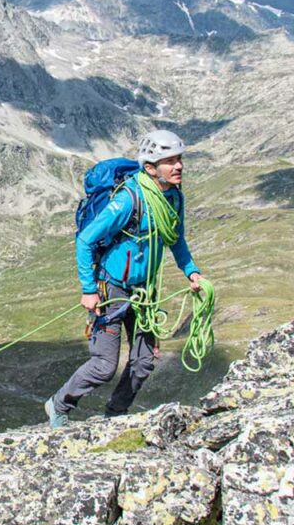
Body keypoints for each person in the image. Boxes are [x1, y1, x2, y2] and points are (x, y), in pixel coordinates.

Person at [45, 129, 203, 428]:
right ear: (150, 167)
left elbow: (176, 239)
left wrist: (191, 271)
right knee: (104, 365)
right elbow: (86, 241)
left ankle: (115, 417)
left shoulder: (173, 198)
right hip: (112, 289)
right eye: (169, 161)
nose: (178, 166)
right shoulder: (129, 199)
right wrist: (89, 290)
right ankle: (59, 404)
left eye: (179, 159)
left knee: (143, 362)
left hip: (144, 291)